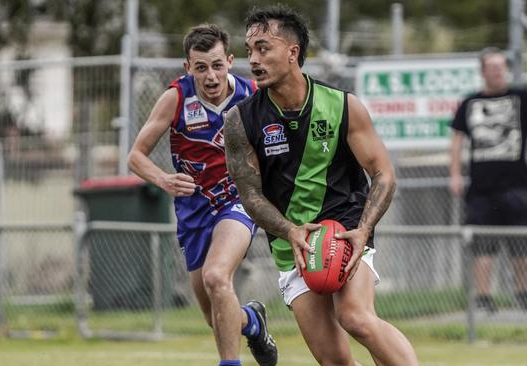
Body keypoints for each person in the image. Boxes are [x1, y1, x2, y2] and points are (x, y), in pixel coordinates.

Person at [224, 5, 419, 366]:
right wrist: (290, 230)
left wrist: (363, 230)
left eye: (264, 48)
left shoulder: (343, 106)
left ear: (292, 52)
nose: (253, 59)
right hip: (290, 243)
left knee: (356, 318)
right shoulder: (240, 121)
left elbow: (383, 174)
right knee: (334, 361)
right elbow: (249, 194)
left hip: (345, 230)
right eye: (250, 50)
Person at [127, 24, 277, 366]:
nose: (211, 76)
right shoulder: (176, 98)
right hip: (193, 211)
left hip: (237, 202)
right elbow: (135, 156)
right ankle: (252, 322)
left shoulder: (253, 95)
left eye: (217, 65)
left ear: (230, 60)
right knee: (216, 317)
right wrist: (164, 179)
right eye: (201, 68)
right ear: (187, 68)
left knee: (216, 276)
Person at [449, 47, 527, 313]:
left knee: (521, 245)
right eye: (492, 67)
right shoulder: (469, 103)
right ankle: (484, 298)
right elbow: (456, 140)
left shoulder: (520, 97)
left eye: (501, 67)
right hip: (481, 189)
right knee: (483, 247)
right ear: (483, 71)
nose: (498, 72)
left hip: (516, 186)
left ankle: (522, 294)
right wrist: (454, 173)